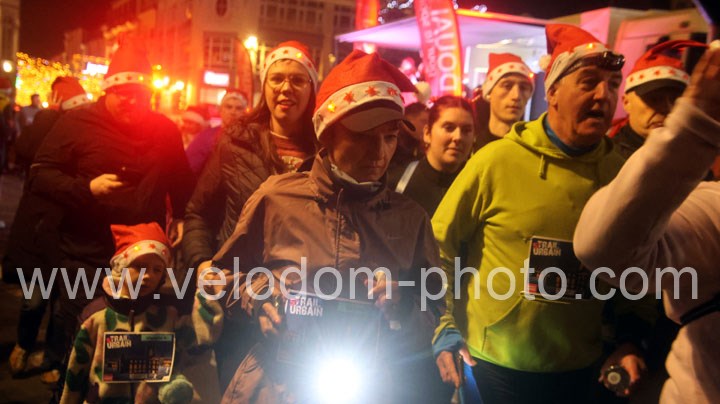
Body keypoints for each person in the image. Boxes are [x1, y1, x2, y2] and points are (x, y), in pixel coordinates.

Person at [431, 24, 657, 403]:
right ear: (552, 92)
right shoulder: (496, 161)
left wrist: (631, 339)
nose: (603, 95)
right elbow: (438, 244)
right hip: (491, 366)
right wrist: (444, 326)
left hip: (580, 367)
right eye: (588, 82)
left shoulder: (623, 177)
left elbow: (641, 265)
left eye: (612, 85)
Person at [213, 50, 443, 403]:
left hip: (369, 390)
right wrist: (260, 297)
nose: (379, 152)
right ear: (327, 134)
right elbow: (224, 276)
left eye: (390, 136)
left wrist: (403, 307)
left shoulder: (410, 219)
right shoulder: (277, 198)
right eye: (363, 136)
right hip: (277, 385)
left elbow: (434, 309)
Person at [29, 37, 193, 386]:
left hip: (142, 262)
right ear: (108, 91)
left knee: (132, 351)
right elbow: (40, 174)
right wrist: (86, 188)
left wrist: (179, 214)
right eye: (124, 94)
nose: (132, 101)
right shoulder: (77, 122)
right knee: (83, 342)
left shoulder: (164, 130)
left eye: (140, 94)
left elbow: (180, 178)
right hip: (87, 257)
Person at [574, 41, 720, 404]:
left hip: (664, 334)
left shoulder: (700, 164)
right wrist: (623, 337)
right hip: (607, 337)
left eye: (675, 98)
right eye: (653, 97)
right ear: (628, 100)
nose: (664, 108)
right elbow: (601, 250)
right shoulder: (607, 160)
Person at [182, 40, 319, 390]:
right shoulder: (235, 142)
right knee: (237, 390)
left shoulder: (326, 151)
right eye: (277, 78)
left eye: (297, 80)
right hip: (238, 300)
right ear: (264, 86)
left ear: (312, 88)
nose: (286, 88)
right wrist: (202, 263)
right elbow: (199, 212)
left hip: (302, 306)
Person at [60, 222, 222, 404]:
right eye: (139, 266)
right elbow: (75, 372)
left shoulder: (167, 315)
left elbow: (197, 338)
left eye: (157, 269)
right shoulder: (96, 316)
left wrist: (207, 295)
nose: (148, 276)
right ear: (120, 267)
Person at [5, 76, 92, 383]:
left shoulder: (89, 129)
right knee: (35, 298)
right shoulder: (49, 124)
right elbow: (25, 147)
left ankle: (54, 357)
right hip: (40, 229)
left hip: (73, 230)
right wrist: (50, 115)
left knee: (62, 305)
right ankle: (24, 344)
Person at [610, 40, 707, 159]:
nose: (666, 108)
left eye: (675, 101)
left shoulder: (693, 153)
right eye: (654, 99)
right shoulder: (610, 157)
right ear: (626, 102)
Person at [390, 95, 475, 216]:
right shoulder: (396, 184)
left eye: (466, 130)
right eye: (449, 128)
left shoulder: (479, 186)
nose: (458, 137)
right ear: (427, 133)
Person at [474, 53, 535, 149]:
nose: (516, 96)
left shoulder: (535, 148)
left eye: (523, 88)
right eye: (507, 86)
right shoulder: (469, 147)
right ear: (489, 92)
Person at [185, 89, 247, 175]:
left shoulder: (249, 138)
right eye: (228, 107)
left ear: (244, 113)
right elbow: (189, 166)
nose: (233, 112)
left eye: (238, 108)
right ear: (221, 110)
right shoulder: (207, 136)